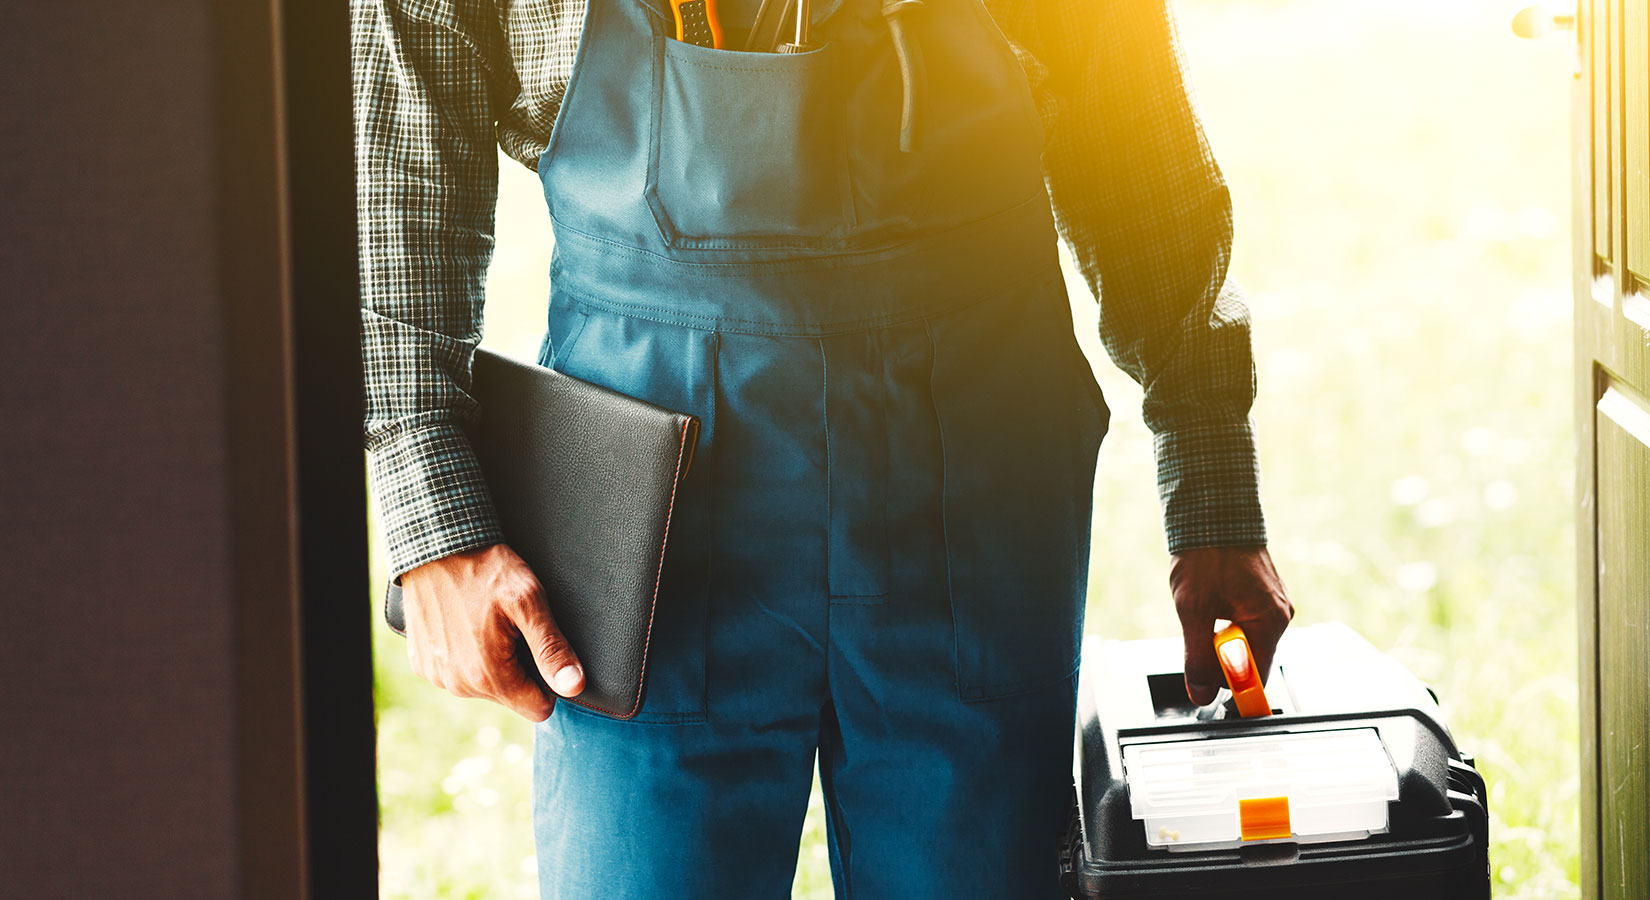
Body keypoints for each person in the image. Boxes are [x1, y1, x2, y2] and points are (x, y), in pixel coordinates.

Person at [353, 0, 1293, 895]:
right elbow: (401, 123)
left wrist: (1212, 473)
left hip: (972, 472)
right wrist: (430, 508)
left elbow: (1131, 127)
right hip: (643, 506)